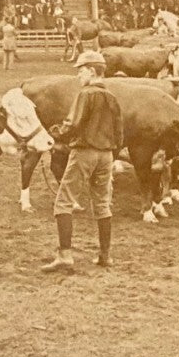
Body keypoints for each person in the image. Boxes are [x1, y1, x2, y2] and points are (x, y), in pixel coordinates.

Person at [41, 51, 123, 273]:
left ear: (92, 71)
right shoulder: (112, 97)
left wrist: (54, 133)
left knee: (63, 202)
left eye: (81, 70)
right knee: (102, 204)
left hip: (84, 152)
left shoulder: (85, 94)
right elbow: (119, 132)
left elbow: (72, 124)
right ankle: (105, 255)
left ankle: (65, 255)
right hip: (106, 155)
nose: (78, 75)